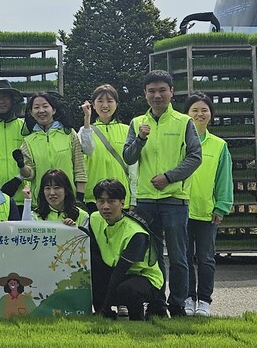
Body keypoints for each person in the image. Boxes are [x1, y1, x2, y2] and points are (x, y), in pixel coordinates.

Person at [123, 70, 202, 317]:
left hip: (175, 200)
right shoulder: (137, 123)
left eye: (162, 90)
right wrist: (140, 139)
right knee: (152, 256)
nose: (157, 95)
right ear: (145, 94)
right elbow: (128, 156)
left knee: (179, 257)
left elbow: (195, 157)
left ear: (171, 92)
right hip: (146, 199)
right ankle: (157, 302)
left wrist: (169, 177)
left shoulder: (184, 122)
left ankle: (178, 303)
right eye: (152, 91)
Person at [88, 178, 167, 321]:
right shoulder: (94, 218)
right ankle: (104, 313)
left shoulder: (136, 233)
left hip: (144, 277)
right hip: (114, 269)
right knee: (92, 268)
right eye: (100, 201)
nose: (105, 206)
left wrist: (105, 308)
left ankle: (137, 319)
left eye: (111, 201)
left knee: (127, 289)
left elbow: (119, 273)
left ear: (122, 202)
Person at [183, 93, 233, 317]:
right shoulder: (179, 142)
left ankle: (204, 300)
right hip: (181, 209)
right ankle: (187, 297)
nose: (199, 114)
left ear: (211, 115)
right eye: (194, 110)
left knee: (205, 258)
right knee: (183, 257)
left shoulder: (219, 145)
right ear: (186, 114)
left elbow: (224, 179)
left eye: (204, 110)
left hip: (206, 212)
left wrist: (221, 206)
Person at [20, 92, 86, 199]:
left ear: (54, 110)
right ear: (31, 113)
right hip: (42, 202)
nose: (41, 110)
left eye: (45, 106)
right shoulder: (28, 141)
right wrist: (21, 166)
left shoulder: (69, 134)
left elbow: (79, 167)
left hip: (68, 199)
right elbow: (30, 174)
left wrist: (79, 197)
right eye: (36, 107)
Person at [79, 84, 135, 210]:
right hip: (94, 198)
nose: (105, 105)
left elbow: (133, 168)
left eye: (110, 101)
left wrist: (134, 200)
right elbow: (87, 150)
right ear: (93, 105)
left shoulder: (127, 130)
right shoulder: (85, 130)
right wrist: (87, 119)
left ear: (116, 104)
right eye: (100, 101)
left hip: (120, 198)